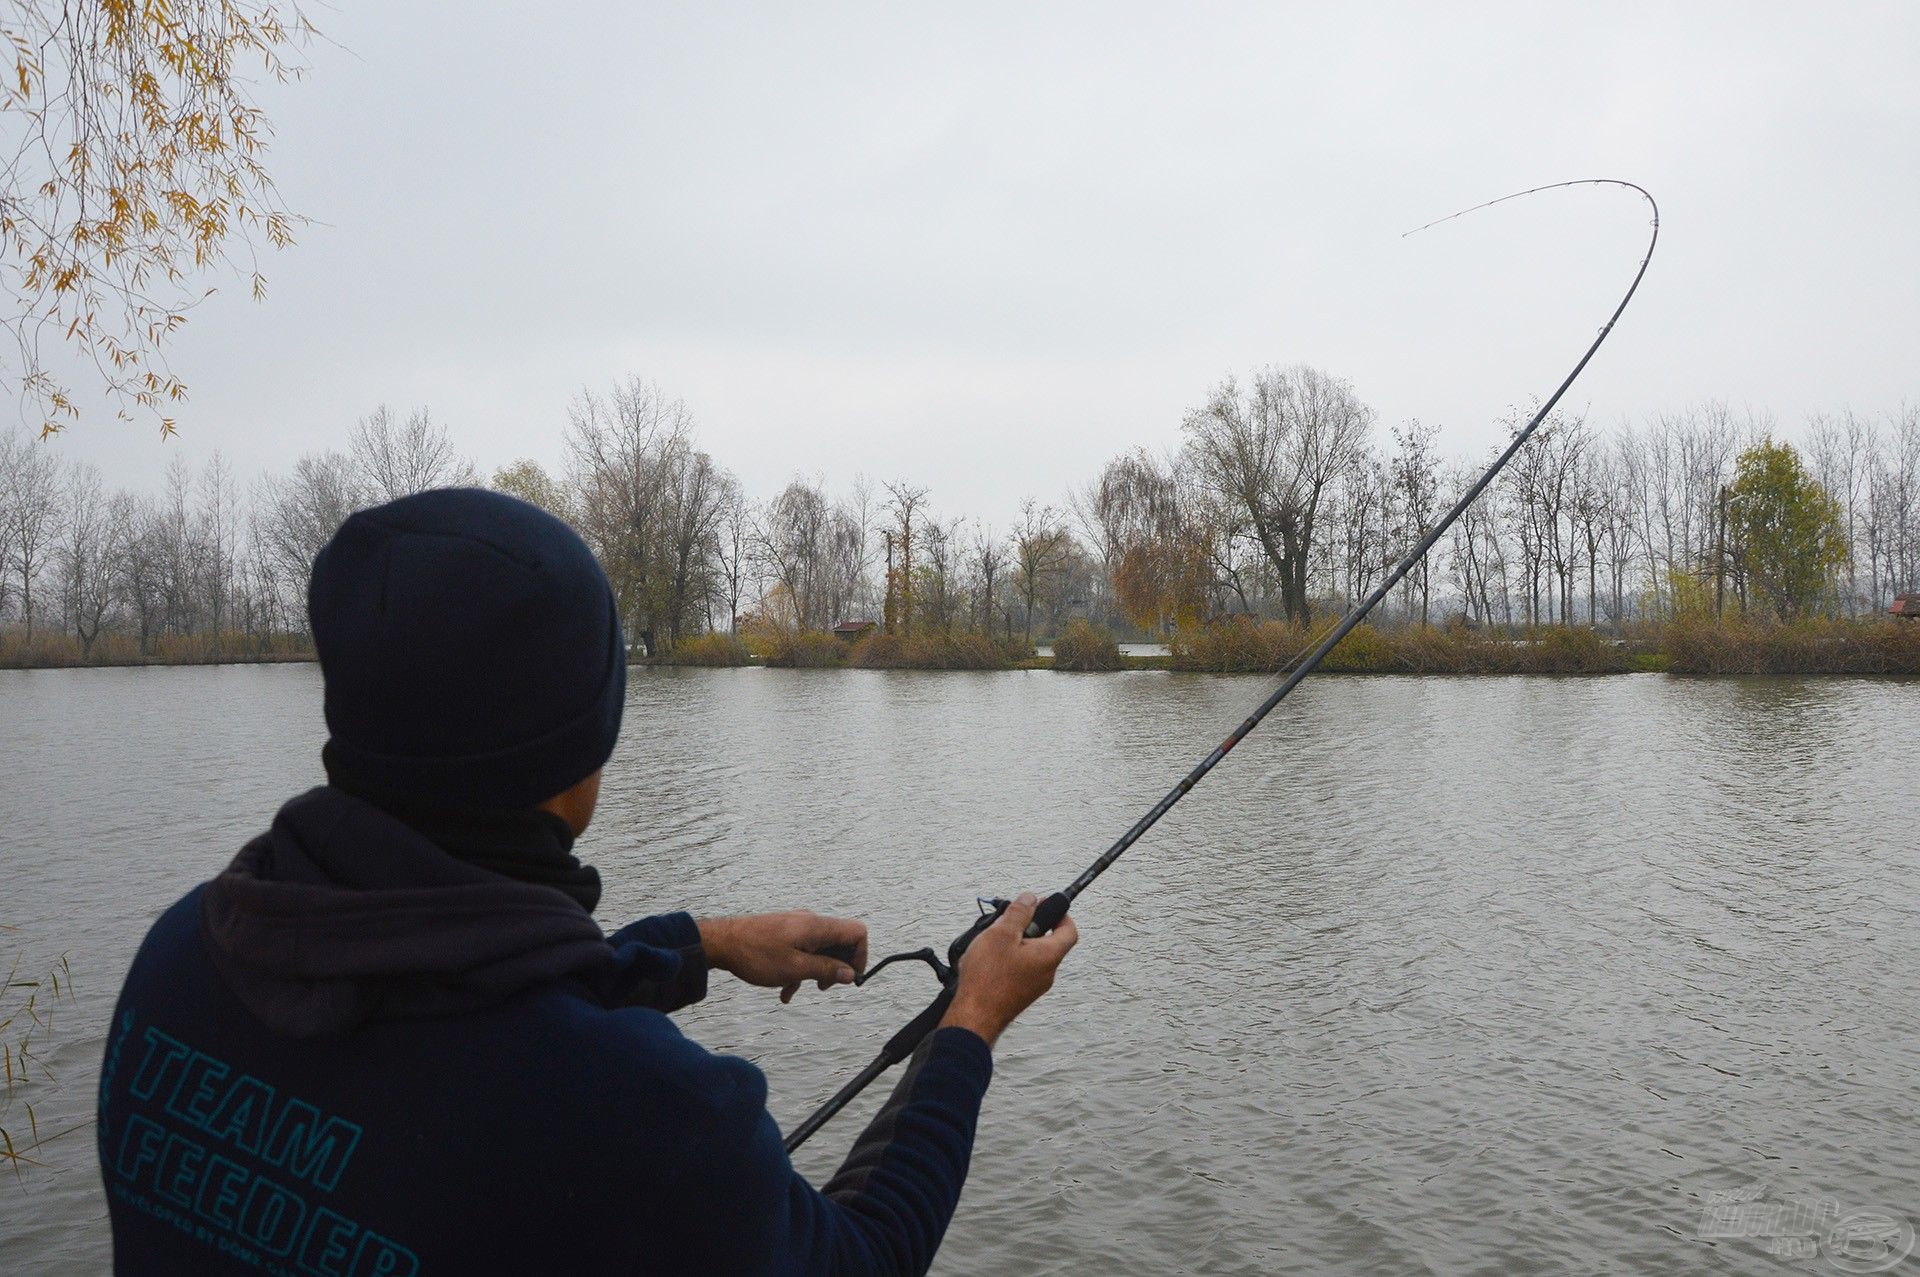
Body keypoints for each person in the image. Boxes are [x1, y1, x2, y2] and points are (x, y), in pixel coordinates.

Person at [97, 488, 1079, 1276]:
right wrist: (971, 1023)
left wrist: (698, 942)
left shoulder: (181, 957)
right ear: (578, 754)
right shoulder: (653, 1115)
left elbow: (453, 991)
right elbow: (862, 1253)